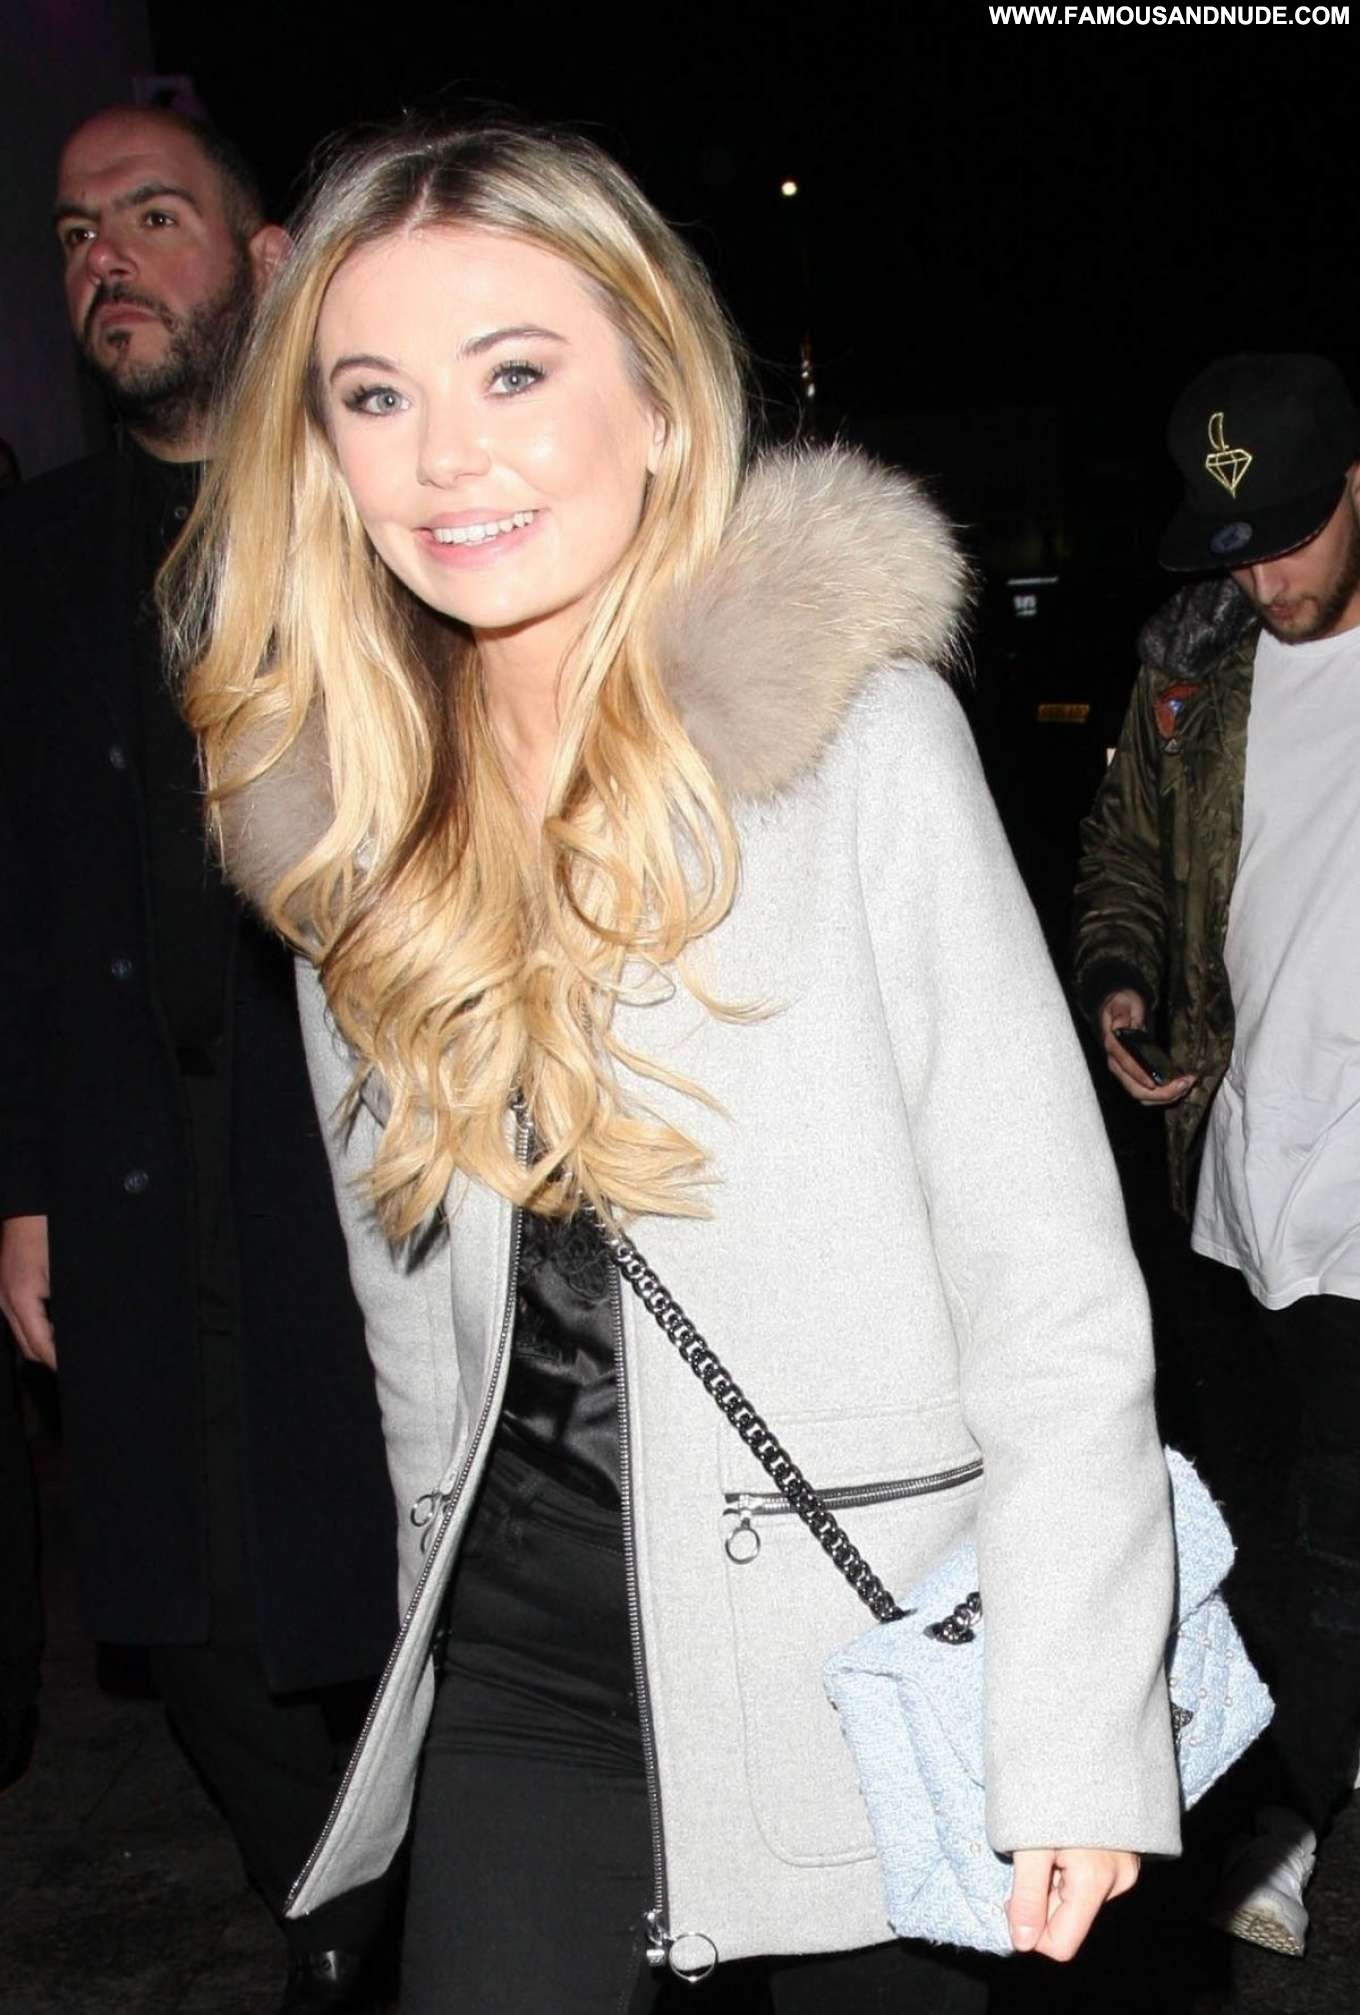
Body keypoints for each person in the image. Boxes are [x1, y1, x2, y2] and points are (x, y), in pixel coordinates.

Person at [174, 118, 1181, 2014]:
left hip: (854, 1644)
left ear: (654, 399)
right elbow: (415, 1322)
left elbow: (1047, 1285)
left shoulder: (851, 748)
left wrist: (1071, 1723)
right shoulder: (348, 829)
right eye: (375, 395)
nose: (443, 454)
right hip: (526, 1676)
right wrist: (428, 1612)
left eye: (513, 373)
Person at [0, 105, 397, 2012]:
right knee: (188, 1604)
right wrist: (22, 1182)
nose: (107, 260)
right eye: (77, 235)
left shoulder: (365, 508)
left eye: (154, 217)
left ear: (262, 259)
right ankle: (341, 1927)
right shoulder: (39, 555)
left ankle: (421, 1917)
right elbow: (12, 891)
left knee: (382, 1571)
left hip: (349, 1154)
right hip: (133, 1162)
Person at [1073, 352, 1360, 1959]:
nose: (1266, 580)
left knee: (1336, 1524)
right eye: (1239, 547)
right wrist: (1124, 979)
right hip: (1238, 1170)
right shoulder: (1192, 669)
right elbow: (1123, 854)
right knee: (1245, 1506)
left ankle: (1287, 1821)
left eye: (1294, 535)